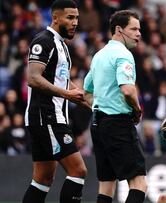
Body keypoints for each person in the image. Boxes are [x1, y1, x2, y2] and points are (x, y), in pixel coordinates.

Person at [23, 1, 88, 203]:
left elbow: (63, 82)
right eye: (70, 18)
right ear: (55, 17)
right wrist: (65, 94)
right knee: (78, 170)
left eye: (76, 18)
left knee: (43, 178)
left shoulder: (61, 45)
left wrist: (95, 104)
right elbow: (33, 78)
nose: (74, 22)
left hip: (51, 117)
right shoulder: (43, 41)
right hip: (46, 117)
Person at [83, 10, 146, 203]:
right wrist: (137, 110)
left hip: (98, 124)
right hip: (118, 123)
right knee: (139, 184)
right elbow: (128, 90)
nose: (139, 33)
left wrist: (103, 109)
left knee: (106, 186)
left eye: (139, 29)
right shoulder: (123, 55)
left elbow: (86, 93)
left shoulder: (99, 55)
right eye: (134, 29)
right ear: (119, 29)